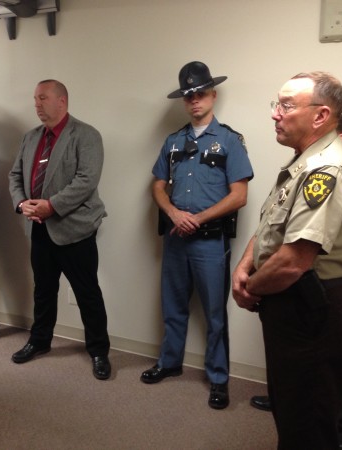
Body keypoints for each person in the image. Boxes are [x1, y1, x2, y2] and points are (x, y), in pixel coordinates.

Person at [232, 72, 342, 449]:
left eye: (287, 106)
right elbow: (272, 226)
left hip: (311, 310)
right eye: (277, 104)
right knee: (292, 410)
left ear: (321, 116)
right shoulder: (304, 163)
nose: (275, 113)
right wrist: (244, 266)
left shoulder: (326, 170)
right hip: (293, 304)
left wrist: (250, 289)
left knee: (308, 422)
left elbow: (293, 261)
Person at [143, 61, 253, 410]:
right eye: (188, 96)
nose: (194, 101)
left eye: (200, 94)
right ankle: (170, 362)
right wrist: (174, 213)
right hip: (176, 237)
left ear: (213, 95)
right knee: (173, 306)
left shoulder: (230, 141)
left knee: (214, 313)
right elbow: (157, 186)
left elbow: (239, 196)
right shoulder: (173, 141)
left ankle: (218, 378)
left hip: (209, 242)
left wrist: (198, 218)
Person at [8, 79, 112, 380]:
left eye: (43, 98)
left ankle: (99, 350)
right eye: (35, 99)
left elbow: (86, 180)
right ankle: (40, 340)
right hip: (39, 229)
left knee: (87, 293)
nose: (36, 104)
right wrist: (21, 204)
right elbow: (15, 175)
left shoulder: (86, 135)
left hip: (75, 230)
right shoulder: (30, 137)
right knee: (43, 290)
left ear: (62, 101)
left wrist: (51, 205)